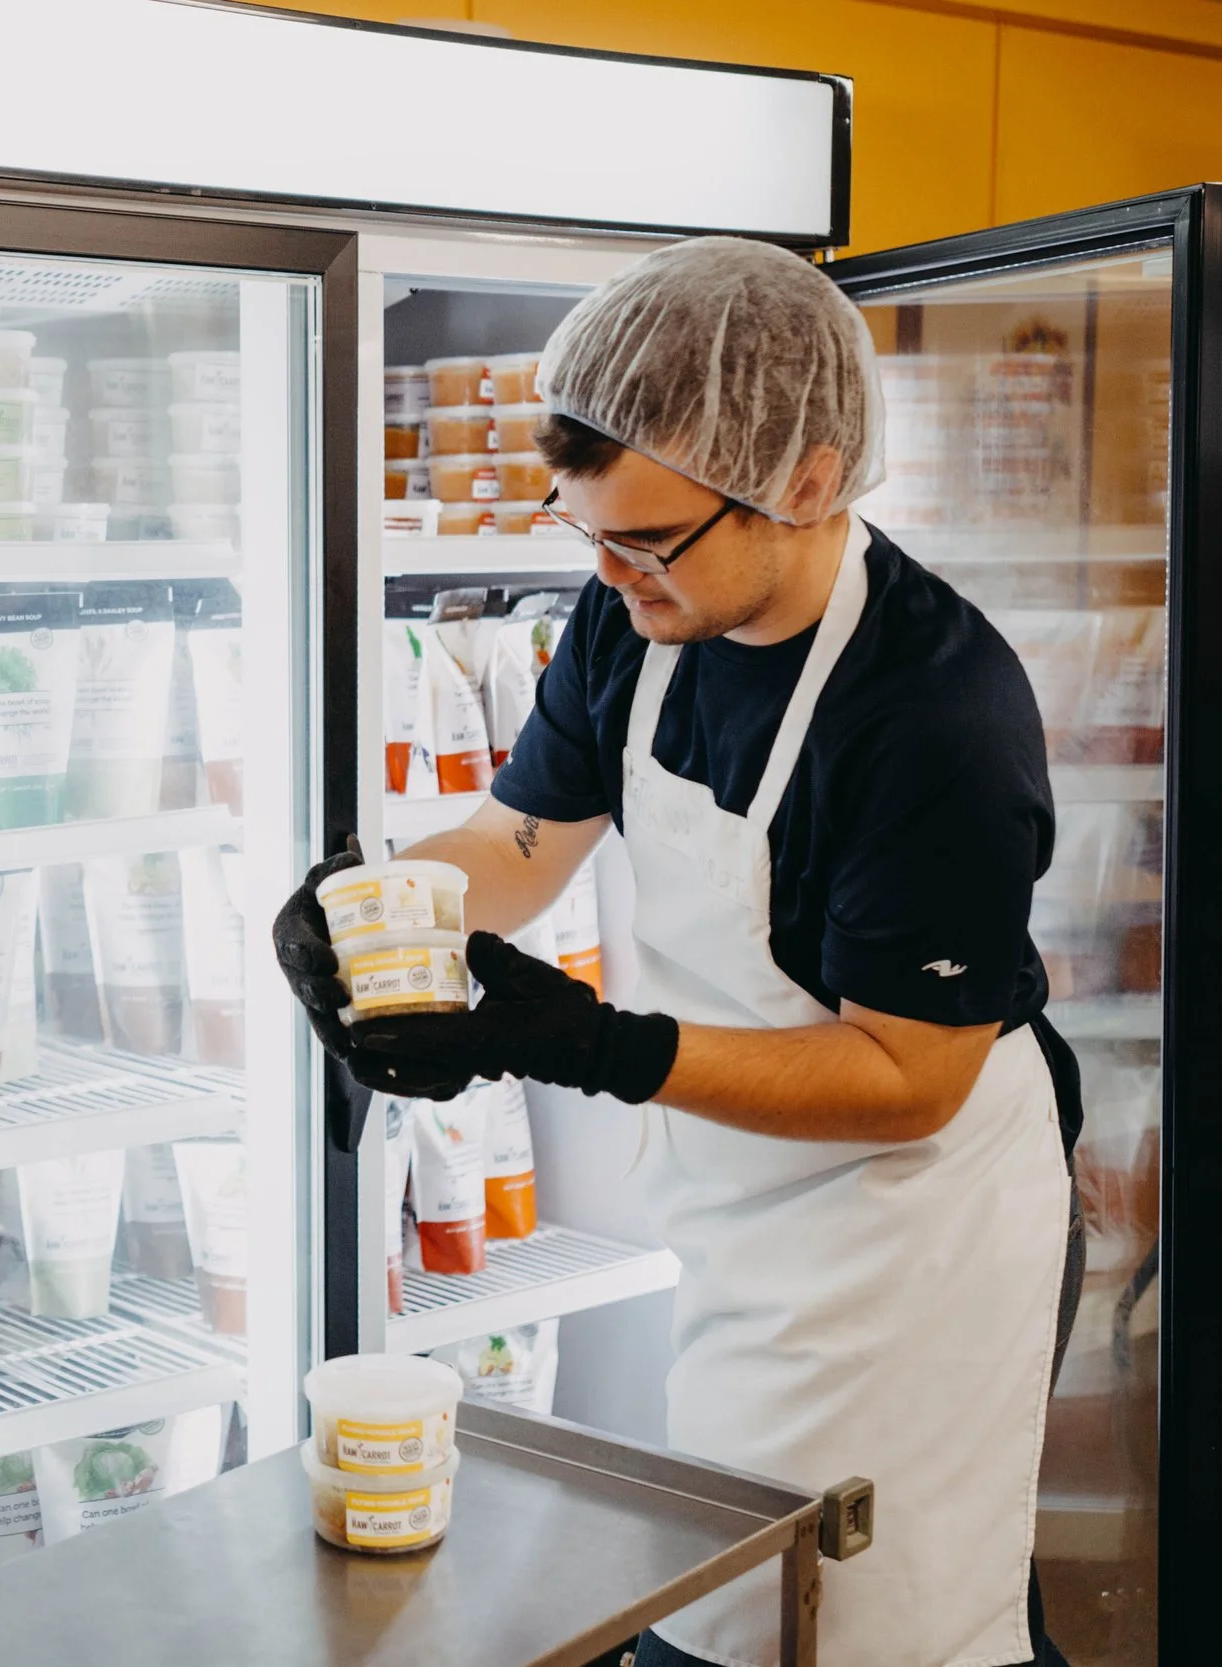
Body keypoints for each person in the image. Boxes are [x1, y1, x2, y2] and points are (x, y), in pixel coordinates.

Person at [275, 238, 1081, 1667]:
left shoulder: (937, 715)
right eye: (588, 533)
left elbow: (906, 1078)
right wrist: (375, 909)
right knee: (732, 1592)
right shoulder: (631, 614)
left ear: (809, 480)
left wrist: (590, 1042)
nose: (612, 576)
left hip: (914, 1223)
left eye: (648, 542)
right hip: (746, 1197)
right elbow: (524, 846)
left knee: (878, 1626)